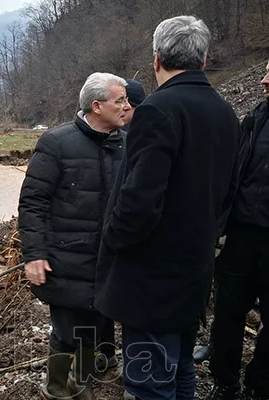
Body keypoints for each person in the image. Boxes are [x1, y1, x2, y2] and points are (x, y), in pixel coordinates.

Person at [94, 15, 240, 400]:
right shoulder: (226, 113)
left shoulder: (158, 109)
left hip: (151, 277)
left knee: (149, 383)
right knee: (180, 368)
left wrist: (113, 239)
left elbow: (139, 198)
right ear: (204, 61)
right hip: (195, 268)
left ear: (156, 59)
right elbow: (228, 192)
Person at [18, 72, 130, 399]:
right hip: (65, 257)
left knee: (95, 326)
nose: (127, 106)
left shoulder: (126, 144)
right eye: (120, 100)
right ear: (97, 106)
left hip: (108, 259)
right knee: (67, 330)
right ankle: (55, 389)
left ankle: (80, 382)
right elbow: (33, 202)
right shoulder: (56, 143)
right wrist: (34, 254)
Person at [206, 46, 269, 400]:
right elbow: (232, 173)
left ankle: (256, 390)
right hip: (241, 239)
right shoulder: (256, 118)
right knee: (226, 317)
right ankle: (225, 384)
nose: (264, 79)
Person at [96, 77, 148, 375]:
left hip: (124, 232)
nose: (123, 108)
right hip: (113, 230)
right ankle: (111, 357)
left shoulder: (138, 140)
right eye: (119, 102)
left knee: (124, 305)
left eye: (126, 103)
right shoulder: (114, 135)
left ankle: (128, 367)